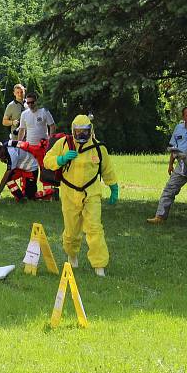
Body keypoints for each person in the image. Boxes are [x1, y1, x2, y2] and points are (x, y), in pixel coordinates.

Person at [44, 115, 118, 277]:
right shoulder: (64, 144)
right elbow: (47, 160)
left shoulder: (99, 148)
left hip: (91, 192)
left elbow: (107, 169)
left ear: (91, 131)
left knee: (94, 228)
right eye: (78, 132)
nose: (82, 136)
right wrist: (61, 159)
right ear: (73, 131)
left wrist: (113, 187)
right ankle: (72, 255)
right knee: (71, 230)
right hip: (69, 192)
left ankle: (99, 265)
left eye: (85, 132)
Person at [147, 107, 187, 227]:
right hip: (180, 164)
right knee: (169, 189)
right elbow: (173, 147)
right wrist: (170, 164)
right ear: (183, 117)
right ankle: (160, 216)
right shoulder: (178, 128)